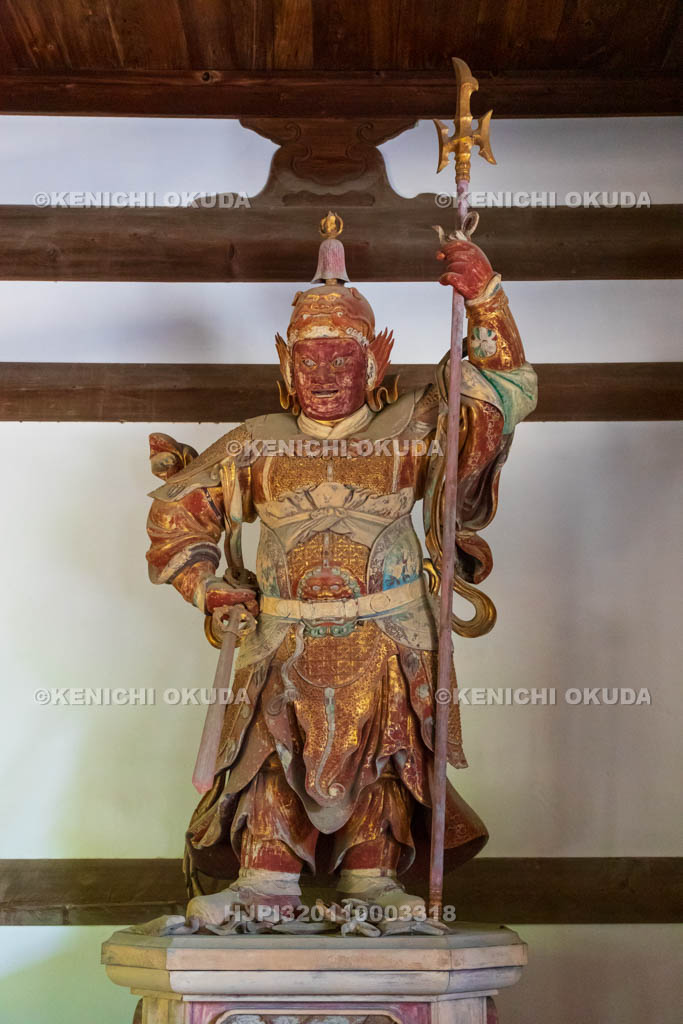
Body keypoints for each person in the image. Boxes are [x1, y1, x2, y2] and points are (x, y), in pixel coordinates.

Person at [146, 215, 537, 927]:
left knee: (389, 753)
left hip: (388, 633)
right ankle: (265, 874)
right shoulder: (254, 443)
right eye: (308, 358)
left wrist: (486, 301)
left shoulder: (416, 428)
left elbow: (498, 395)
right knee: (266, 757)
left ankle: (374, 874)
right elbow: (178, 515)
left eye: (341, 358)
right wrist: (208, 585)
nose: (323, 372)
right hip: (280, 640)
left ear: (374, 366)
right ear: (285, 365)